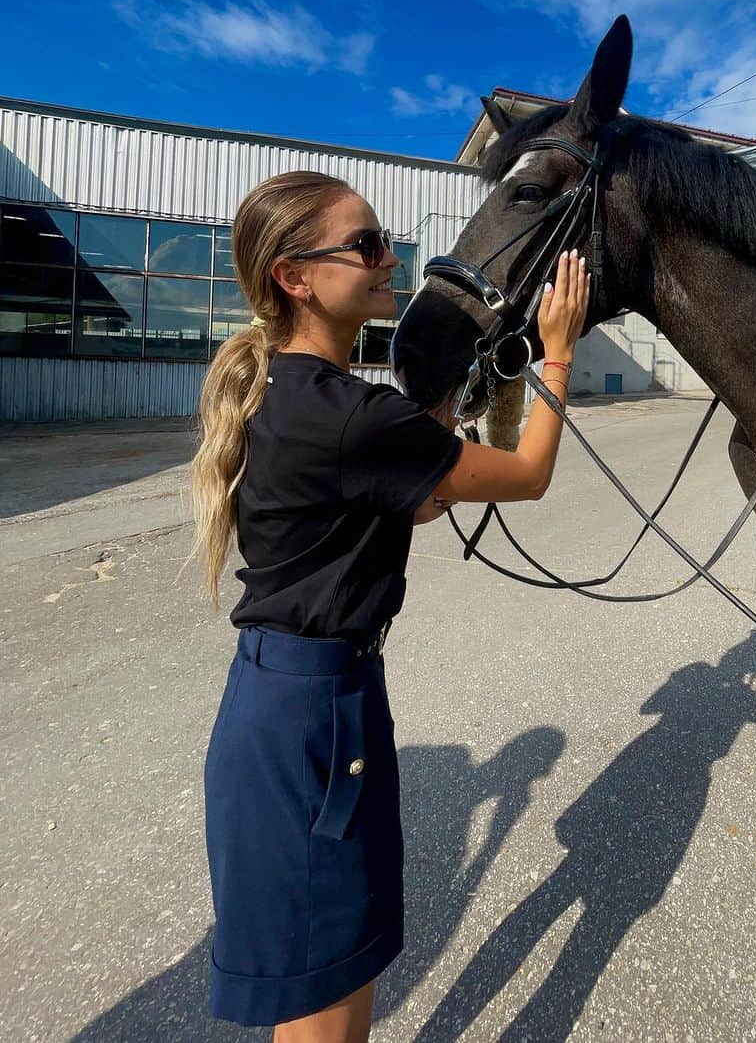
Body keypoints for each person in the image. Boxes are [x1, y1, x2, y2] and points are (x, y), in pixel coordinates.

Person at [192, 170, 588, 1042]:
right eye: (367, 246)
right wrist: (556, 349)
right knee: (326, 1006)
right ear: (297, 278)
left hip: (290, 704)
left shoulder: (291, 396)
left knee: (335, 982)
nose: (390, 260)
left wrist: (447, 409)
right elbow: (527, 476)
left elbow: (407, 493)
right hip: (314, 722)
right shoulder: (354, 417)